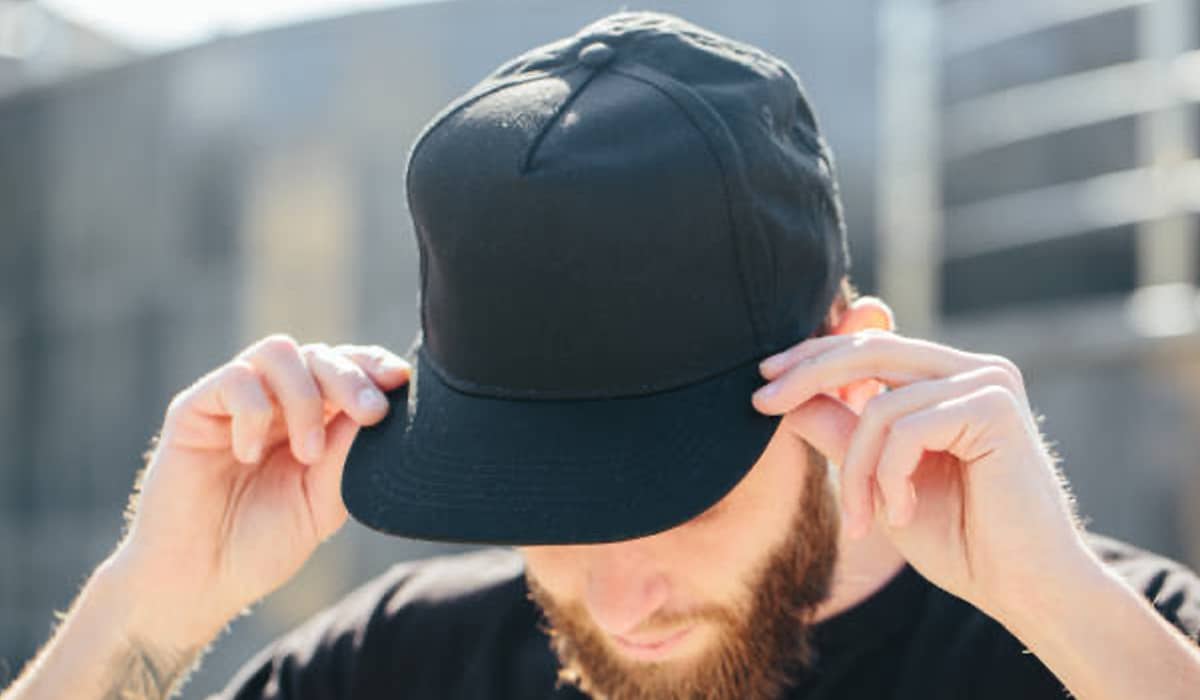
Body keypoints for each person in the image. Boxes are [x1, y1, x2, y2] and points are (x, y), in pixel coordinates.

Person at [4, 10, 1200, 700]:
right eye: (550, 503)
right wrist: (147, 609)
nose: (621, 598)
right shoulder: (406, 665)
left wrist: (1062, 609)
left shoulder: (1111, 640)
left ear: (851, 369)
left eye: (672, 491)